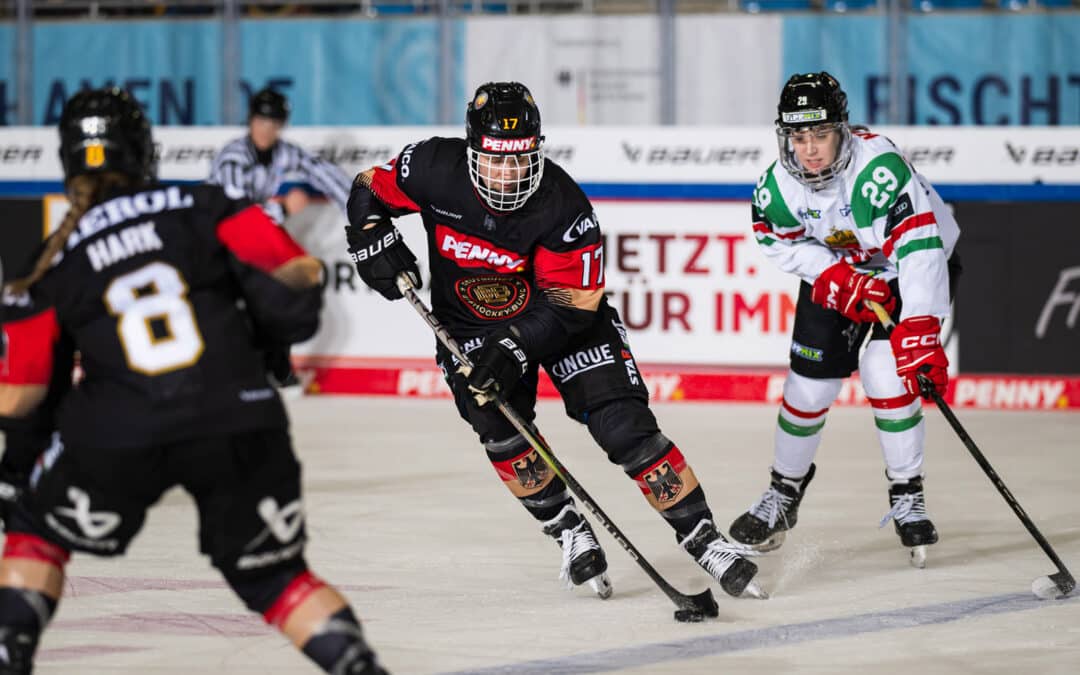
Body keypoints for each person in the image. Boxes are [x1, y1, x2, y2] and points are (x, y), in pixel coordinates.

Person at [0, 88, 388, 674]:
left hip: (118, 430)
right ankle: (359, 667)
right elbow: (297, 280)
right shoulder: (206, 202)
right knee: (277, 577)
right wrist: (267, 331)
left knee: (34, 530)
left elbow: (20, 397)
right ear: (144, 150)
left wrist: (24, 467)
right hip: (238, 414)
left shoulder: (47, 262)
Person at [344, 81, 764, 602]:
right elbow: (367, 187)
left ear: (538, 149)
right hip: (472, 331)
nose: (508, 173)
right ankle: (566, 527)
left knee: (624, 428)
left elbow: (574, 305)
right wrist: (368, 237)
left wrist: (516, 346)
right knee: (499, 431)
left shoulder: (563, 204)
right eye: (495, 159)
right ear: (472, 149)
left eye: (520, 158)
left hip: (564, 325)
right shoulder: (431, 167)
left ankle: (703, 537)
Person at [731, 72, 961, 567]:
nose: (809, 150)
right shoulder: (778, 186)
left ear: (843, 130)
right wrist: (831, 274)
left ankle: (907, 492)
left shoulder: (878, 173)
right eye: (798, 136)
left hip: (909, 268)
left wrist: (919, 329)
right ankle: (783, 493)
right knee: (807, 386)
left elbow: (921, 249)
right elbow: (776, 239)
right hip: (843, 272)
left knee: (885, 372)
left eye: (820, 135)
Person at [208, 87, 352, 393]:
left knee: (284, 290)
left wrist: (360, 210)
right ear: (250, 121)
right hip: (218, 240)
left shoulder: (283, 152)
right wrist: (283, 207)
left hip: (251, 238)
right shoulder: (232, 158)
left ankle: (277, 369)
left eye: (274, 124)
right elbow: (237, 217)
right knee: (247, 302)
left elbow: (324, 174)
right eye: (262, 121)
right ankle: (249, 371)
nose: (267, 129)